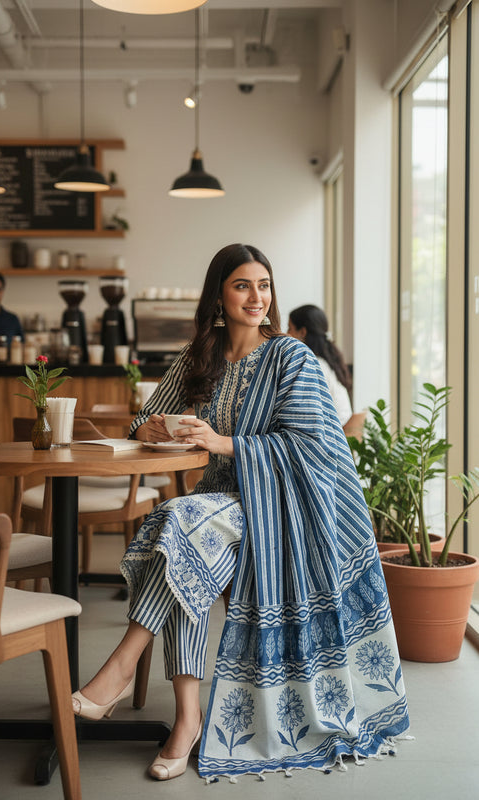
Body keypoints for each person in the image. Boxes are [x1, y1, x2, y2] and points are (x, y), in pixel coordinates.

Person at [71, 244, 409, 781]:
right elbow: (144, 417)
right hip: (218, 507)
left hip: (282, 508)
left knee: (176, 522)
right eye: (243, 286)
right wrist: (149, 428)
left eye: (265, 285)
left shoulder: (290, 357)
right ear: (219, 296)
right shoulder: (197, 356)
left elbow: (314, 446)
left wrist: (223, 442)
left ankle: (121, 664)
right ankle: (187, 721)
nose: (257, 298)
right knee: (187, 545)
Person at [288, 304, 353, 426]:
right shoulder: (329, 361)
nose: (286, 334)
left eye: (289, 328)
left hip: (332, 436)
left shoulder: (312, 365)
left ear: (302, 332)